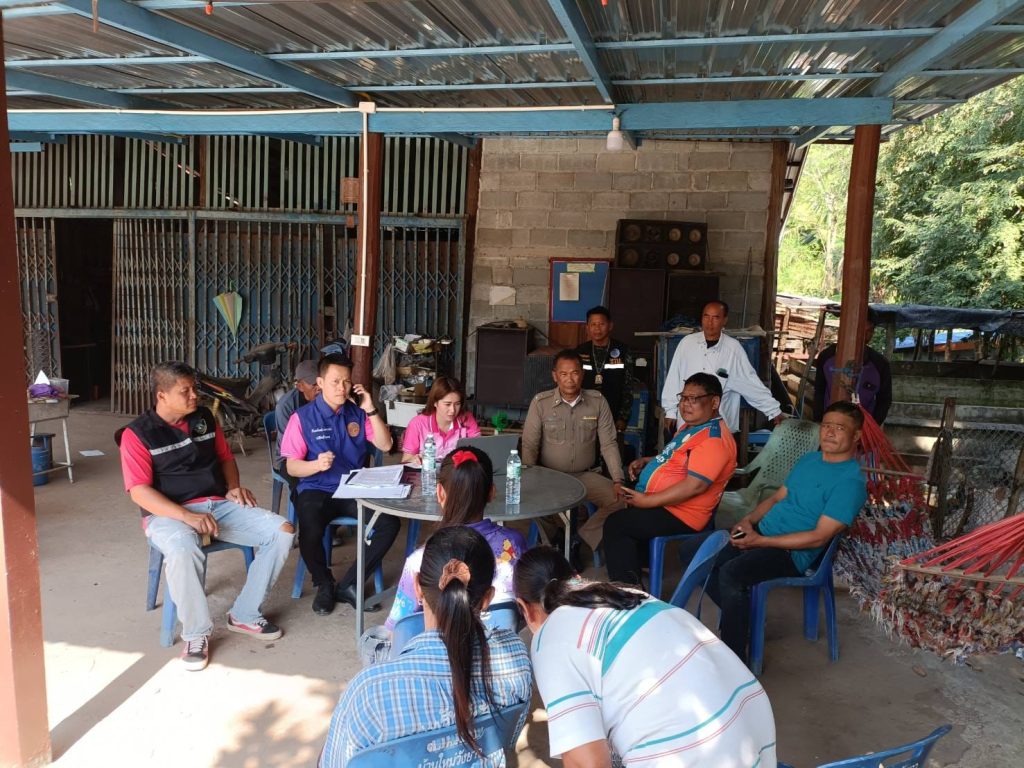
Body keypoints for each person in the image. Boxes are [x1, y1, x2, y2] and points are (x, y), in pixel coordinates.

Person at [513, 547, 777, 768]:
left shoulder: (551, 637)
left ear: (524, 608)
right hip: (755, 740)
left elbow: (587, 763)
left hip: (696, 756)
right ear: (577, 578)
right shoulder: (625, 595)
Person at [119, 361, 295, 671]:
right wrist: (186, 516)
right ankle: (196, 634)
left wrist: (233, 487)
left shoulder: (204, 418)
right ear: (161, 396)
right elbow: (139, 492)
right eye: (184, 391)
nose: (194, 396)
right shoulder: (138, 434)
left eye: (194, 389)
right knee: (183, 548)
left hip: (217, 504)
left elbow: (225, 459)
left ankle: (244, 614)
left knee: (281, 531)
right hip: (168, 513)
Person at [320, 527, 533, 767]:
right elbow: (506, 738)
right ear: (487, 599)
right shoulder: (516, 660)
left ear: (418, 587)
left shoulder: (369, 694)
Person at [681, 400, 868, 663]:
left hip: (792, 552)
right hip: (761, 532)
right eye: (827, 425)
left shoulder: (850, 482)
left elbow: (818, 537)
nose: (829, 432)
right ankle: (743, 615)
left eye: (840, 428)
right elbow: (776, 498)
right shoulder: (810, 460)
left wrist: (760, 541)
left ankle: (735, 660)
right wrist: (748, 522)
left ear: (856, 436)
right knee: (692, 550)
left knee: (732, 573)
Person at [280, 353, 398, 616]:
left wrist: (370, 408)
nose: (341, 388)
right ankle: (324, 583)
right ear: (320, 383)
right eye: (335, 381)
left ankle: (350, 584)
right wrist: (315, 465)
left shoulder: (357, 413)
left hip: (353, 488)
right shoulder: (302, 418)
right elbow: (292, 467)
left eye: (346, 382)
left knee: (389, 523)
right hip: (316, 487)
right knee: (310, 527)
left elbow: (386, 445)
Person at [604, 372, 736, 585]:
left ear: (714, 402)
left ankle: (628, 590)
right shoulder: (691, 427)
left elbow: (694, 486)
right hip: (669, 505)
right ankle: (642, 562)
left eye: (693, 399)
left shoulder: (713, 440)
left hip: (684, 514)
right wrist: (648, 461)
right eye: (683, 398)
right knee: (625, 499)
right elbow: (675, 457)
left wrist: (648, 501)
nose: (685, 404)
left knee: (616, 524)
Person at [385, 446, 527, 634]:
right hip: (497, 648)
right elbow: (524, 607)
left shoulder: (420, 560)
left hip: (434, 651)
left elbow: (400, 628)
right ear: (492, 492)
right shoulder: (514, 545)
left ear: (440, 493)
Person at [521, 349, 625, 558]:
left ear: (582, 374)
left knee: (621, 500)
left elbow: (608, 444)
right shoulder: (541, 403)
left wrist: (617, 479)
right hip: (550, 474)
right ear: (555, 376)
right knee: (530, 499)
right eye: (564, 374)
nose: (570, 379)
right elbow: (530, 444)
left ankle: (580, 538)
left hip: (585, 475)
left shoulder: (597, 401)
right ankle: (556, 539)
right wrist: (530, 476)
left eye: (575, 373)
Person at [660, 300, 785, 433]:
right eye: (706, 316)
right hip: (688, 421)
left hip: (719, 424)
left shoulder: (732, 349)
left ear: (724, 320)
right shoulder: (687, 344)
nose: (710, 322)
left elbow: (750, 383)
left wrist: (773, 410)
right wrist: (670, 411)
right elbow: (674, 378)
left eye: (715, 318)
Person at [812, 311, 892, 425]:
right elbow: (819, 391)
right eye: (860, 331)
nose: (864, 335)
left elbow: (884, 400)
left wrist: (871, 426)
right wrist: (819, 420)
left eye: (869, 331)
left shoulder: (880, 364)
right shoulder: (827, 357)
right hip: (829, 424)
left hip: (863, 428)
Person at [573, 306, 635, 433]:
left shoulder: (622, 350)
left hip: (613, 412)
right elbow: (573, 383)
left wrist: (623, 417)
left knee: (610, 444)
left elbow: (628, 386)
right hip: (584, 411)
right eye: (593, 324)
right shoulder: (580, 351)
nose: (597, 328)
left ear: (610, 326)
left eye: (601, 324)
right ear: (587, 327)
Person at [400, 375, 481, 464]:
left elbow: (479, 452)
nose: (453, 410)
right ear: (435, 402)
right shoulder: (417, 424)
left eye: (457, 404)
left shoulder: (467, 419)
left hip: (457, 472)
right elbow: (406, 460)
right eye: (447, 404)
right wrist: (413, 460)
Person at [273, 358, 320, 495]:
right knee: (304, 487)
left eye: (321, 382)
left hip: (317, 452)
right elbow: (289, 448)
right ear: (300, 386)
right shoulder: (286, 406)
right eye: (313, 384)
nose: (319, 388)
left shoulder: (325, 399)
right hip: (289, 458)